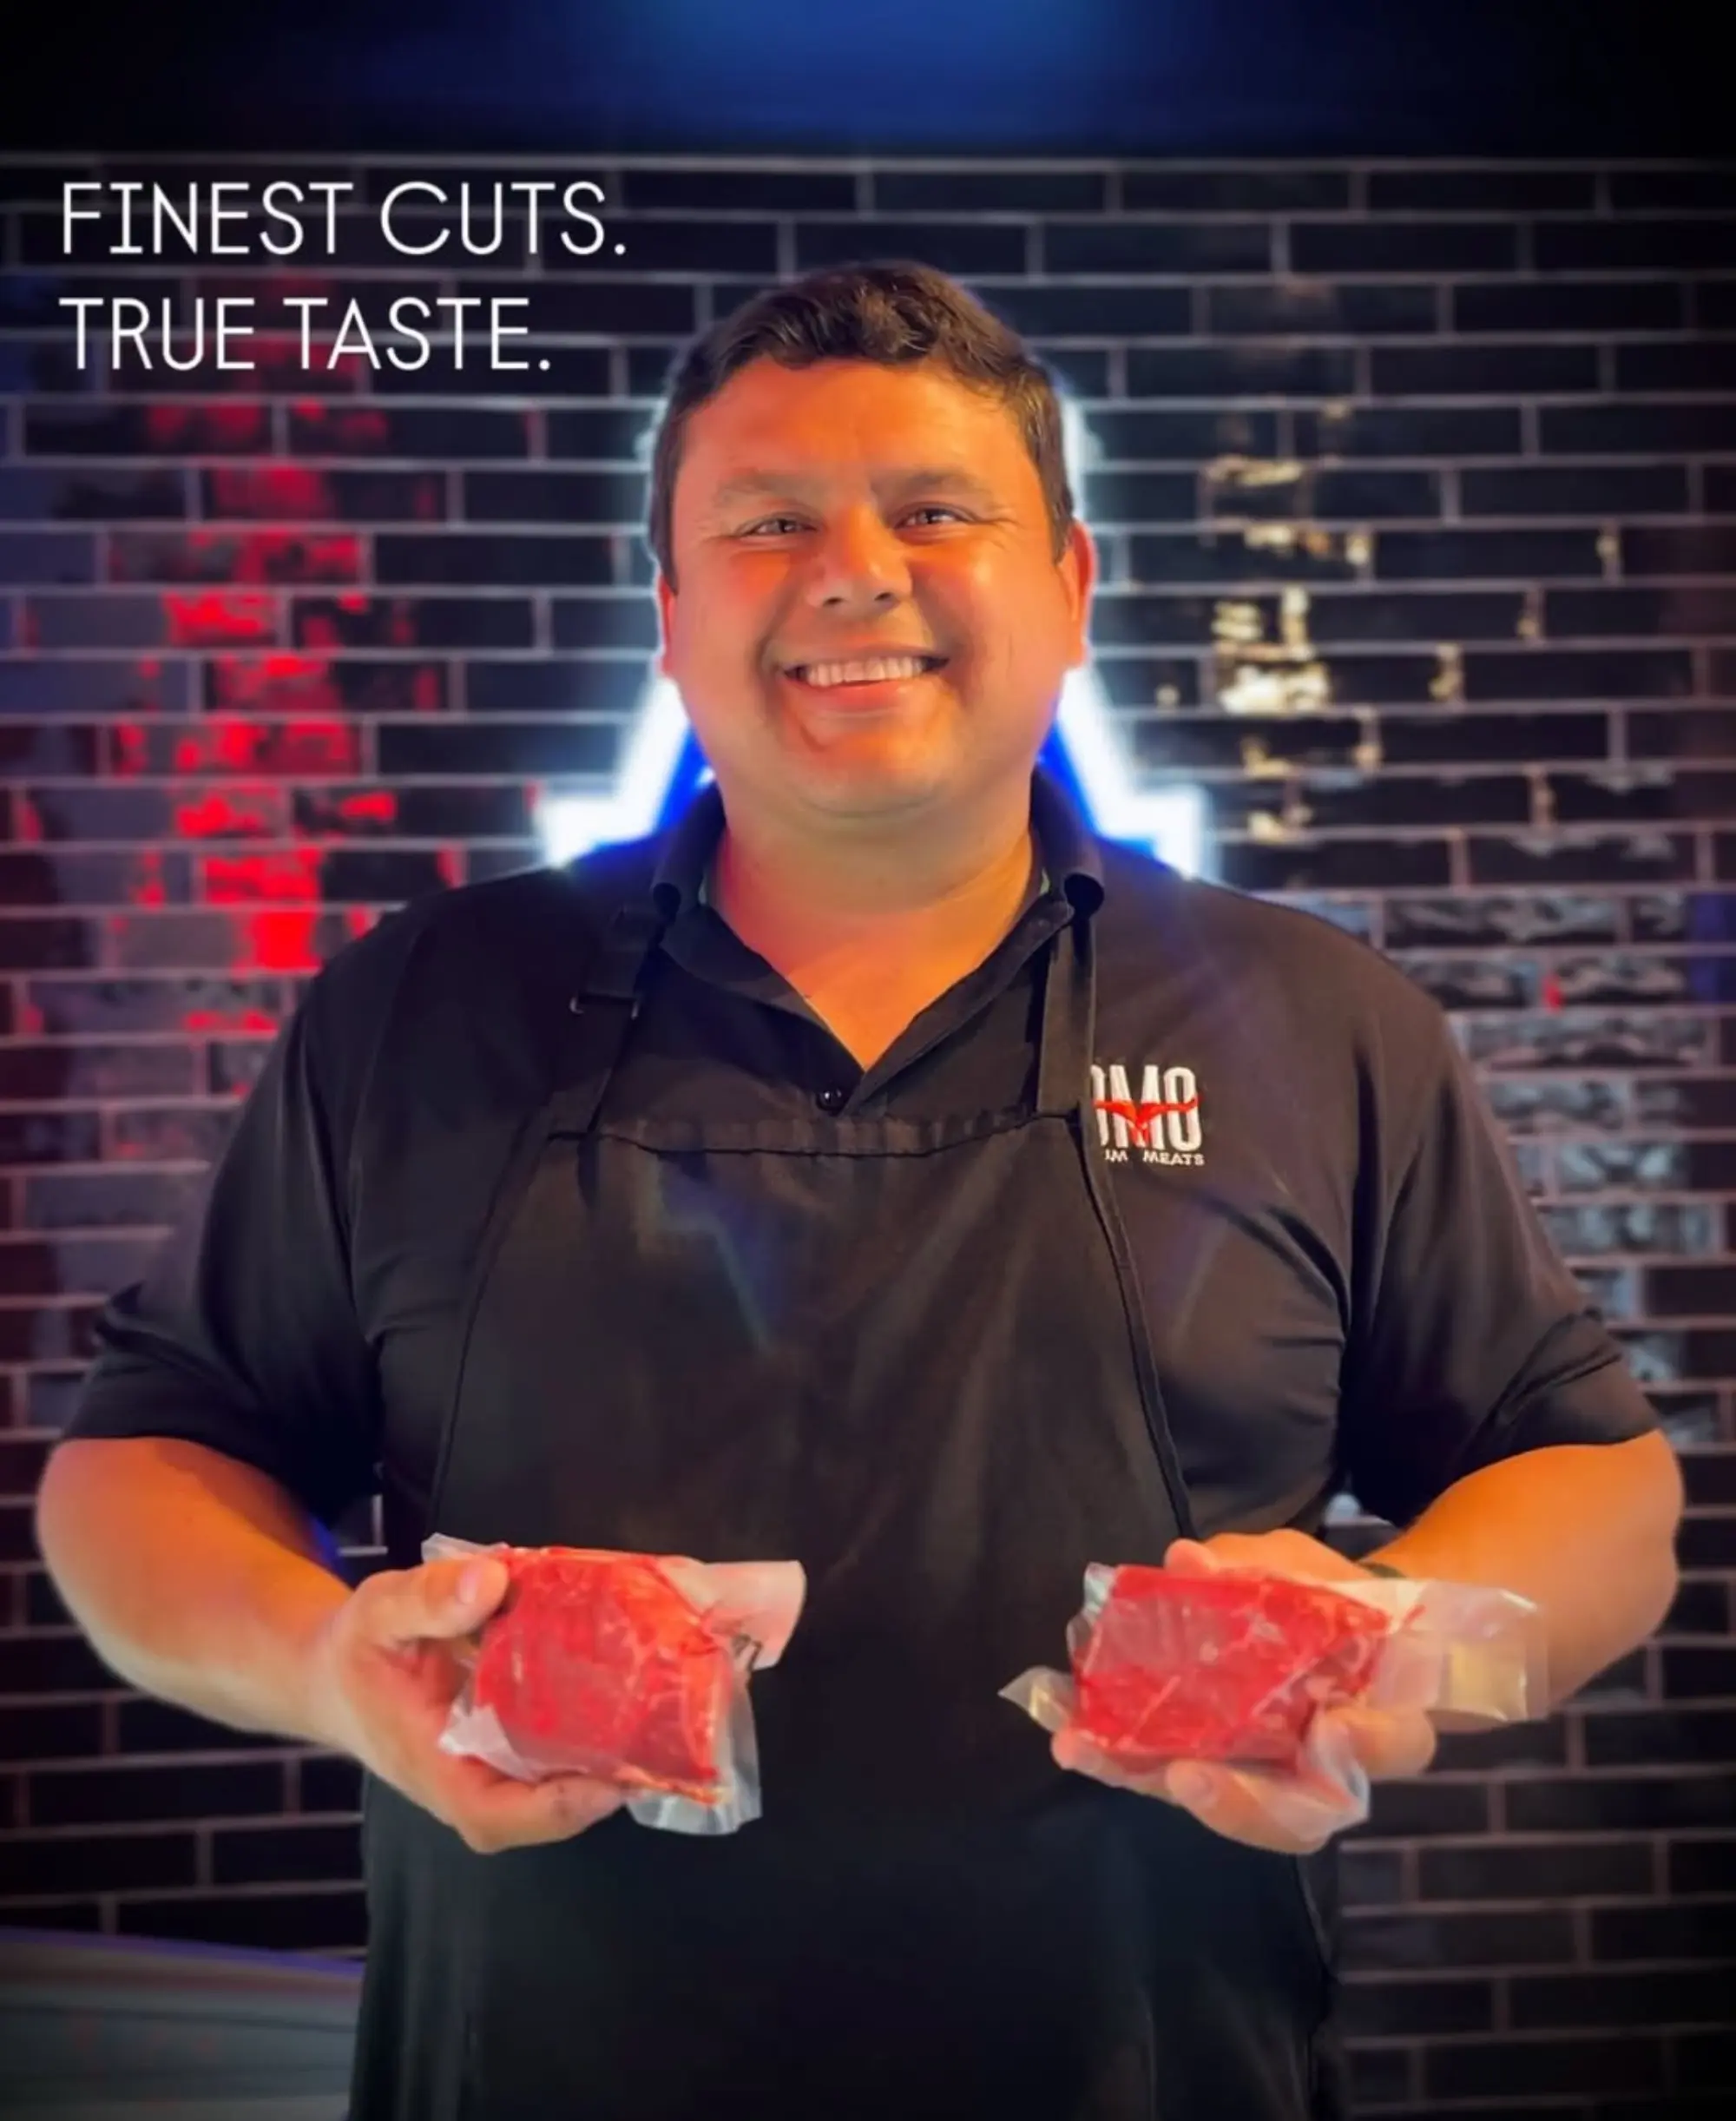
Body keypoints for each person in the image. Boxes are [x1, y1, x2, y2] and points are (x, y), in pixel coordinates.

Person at [36, 261, 1681, 2121]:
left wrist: (1395, 1647)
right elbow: (139, 1468)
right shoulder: (421, 1008)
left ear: (1068, 590)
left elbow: (1599, 1482)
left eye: (933, 510)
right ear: (668, 616)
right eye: (769, 524)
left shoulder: (1311, 1018)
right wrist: (332, 1666)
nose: (854, 572)